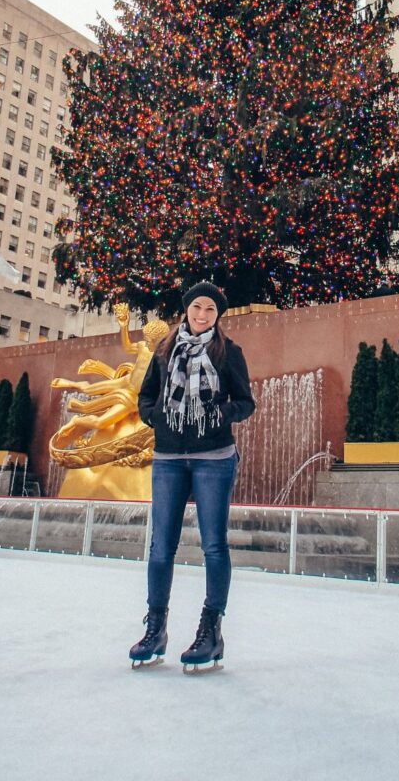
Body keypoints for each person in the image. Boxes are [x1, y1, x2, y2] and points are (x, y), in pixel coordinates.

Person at [129, 282, 255, 671]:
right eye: (197, 308)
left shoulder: (228, 352)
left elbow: (246, 402)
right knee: (160, 546)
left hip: (214, 458)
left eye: (211, 311)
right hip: (168, 457)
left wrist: (221, 413)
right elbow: (146, 397)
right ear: (186, 310)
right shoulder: (164, 351)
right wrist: (156, 417)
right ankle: (156, 629)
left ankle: (211, 630)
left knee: (214, 546)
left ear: (218, 316)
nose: (202, 316)